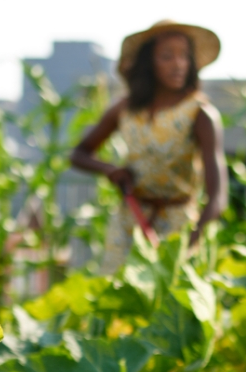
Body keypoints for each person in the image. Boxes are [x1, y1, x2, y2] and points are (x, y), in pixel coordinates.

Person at [70, 20, 228, 271]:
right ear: (148, 64)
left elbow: (217, 198)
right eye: (167, 57)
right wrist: (111, 171)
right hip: (130, 221)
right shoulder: (125, 109)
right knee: (116, 299)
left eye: (185, 57)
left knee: (167, 305)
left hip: (178, 228)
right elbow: (78, 154)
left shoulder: (200, 114)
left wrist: (187, 246)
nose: (178, 64)